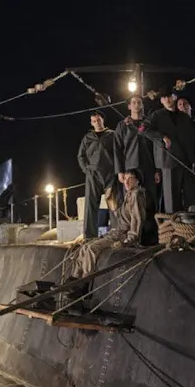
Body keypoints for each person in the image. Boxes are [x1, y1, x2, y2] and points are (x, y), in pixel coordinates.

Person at [65, 169, 156, 292]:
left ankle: (85, 282)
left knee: (92, 249)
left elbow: (137, 219)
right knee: (85, 247)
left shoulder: (137, 195)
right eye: (125, 179)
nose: (127, 183)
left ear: (137, 181)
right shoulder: (129, 195)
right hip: (117, 231)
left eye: (131, 179)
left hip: (123, 235)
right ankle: (74, 279)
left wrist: (129, 240)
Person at [138, 85, 195, 213]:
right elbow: (142, 129)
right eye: (164, 98)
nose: (168, 99)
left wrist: (192, 160)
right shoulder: (156, 115)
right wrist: (161, 137)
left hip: (185, 162)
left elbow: (191, 140)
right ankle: (172, 229)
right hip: (168, 161)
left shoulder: (184, 117)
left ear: (174, 97)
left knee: (190, 198)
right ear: (161, 101)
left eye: (169, 96)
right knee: (171, 200)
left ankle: (190, 228)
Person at [113, 94, 161, 210]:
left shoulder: (149, 124)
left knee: (151, 200)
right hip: (130, 168)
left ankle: (151, 227)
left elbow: (156, 147)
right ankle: (134, 227)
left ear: (142, 105)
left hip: (149, 167)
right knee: (132, 202)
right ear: (129, 106)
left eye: (139, 102)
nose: (136, 105)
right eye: (133, 102)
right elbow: (117, 148)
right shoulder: (122, 125)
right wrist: (120, 171)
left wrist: (157, 170)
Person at [77, 110, 117, 239]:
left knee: (113, 204)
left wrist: (117, 171)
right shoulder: (88, 137)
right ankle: (89, 235)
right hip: (93, 175)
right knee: (91, 205)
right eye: (94, 121)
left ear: (103, 120)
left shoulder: (112, 135)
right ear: (91, 123)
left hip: (110, 174)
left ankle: (116, 232)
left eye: (98, 120)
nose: (97, 123)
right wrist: (86, 169)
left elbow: (119, 153)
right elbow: (80, 155)